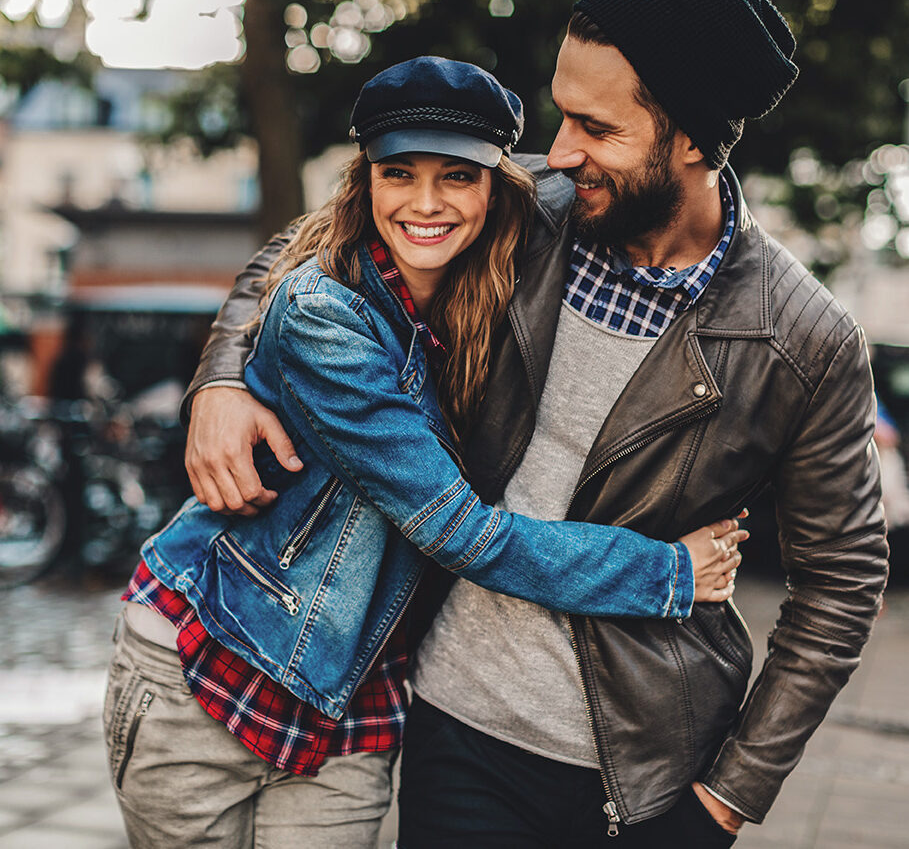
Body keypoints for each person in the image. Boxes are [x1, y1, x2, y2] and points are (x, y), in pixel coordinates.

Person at [182, 0, 889, 847]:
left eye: (595, 126)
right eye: (561, 114)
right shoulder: (526, 207)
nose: (556, 150)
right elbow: (318, 241)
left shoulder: (802, 339)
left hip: (643, 773)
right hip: (454, 726)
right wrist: (220, 377)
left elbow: (842, 581)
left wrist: (726, 800)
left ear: (695, 142)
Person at [104, 56, 745, 849]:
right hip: (213, 664)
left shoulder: (499, 267)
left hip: (355, 698)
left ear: (497, 186)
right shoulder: (323, 318)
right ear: (364, 181)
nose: (425, 202)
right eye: (397, 173)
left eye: (456, 177)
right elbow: (458, 531)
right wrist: (667, 573)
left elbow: (651, 193)